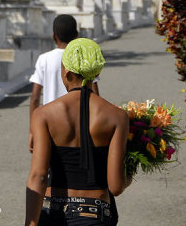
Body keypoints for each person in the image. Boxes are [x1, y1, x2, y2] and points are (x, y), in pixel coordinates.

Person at [25, 38, 131, 226]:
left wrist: (30, 224)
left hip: (53, 211)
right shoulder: (118, 117)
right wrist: (130, 171)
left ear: (66, 71)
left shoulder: (43, 115)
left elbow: (38, 176)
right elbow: (115, 186)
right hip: (96, 214)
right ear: (97, 72)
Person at [29, 15, 99, 152]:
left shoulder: (44, 59)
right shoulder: (83, 58)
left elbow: (35, 97)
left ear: (53, 35)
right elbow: (95, 94)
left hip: (51, 120)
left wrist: (33, 130)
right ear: (77, 35)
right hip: (80, 120)